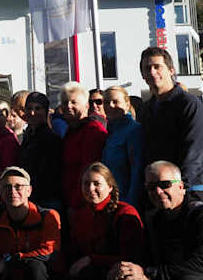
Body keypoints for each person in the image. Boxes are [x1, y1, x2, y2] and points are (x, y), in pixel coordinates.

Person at [63, 163, 144, 280]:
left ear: (110, 186)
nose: (90, 189)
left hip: (117, 275)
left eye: (96, 184)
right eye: (85, 184)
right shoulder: (80, 215)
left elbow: (131, 256)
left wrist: (92, 259)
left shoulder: (124, 213)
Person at [140, 46, 203, 203]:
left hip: (189, 190)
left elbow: (195, 151)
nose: (152, 72)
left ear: (171, 70)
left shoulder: (189, 104)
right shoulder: (147, 110)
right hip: (159, 192)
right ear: (142, 74)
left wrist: (180, 186)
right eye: (147, 68)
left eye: (157, 66)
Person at [59, 82, 108, 212]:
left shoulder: (92, 130)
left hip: (84, 202)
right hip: (69, 198)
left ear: (86, 105)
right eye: (65, 103)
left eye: (74, 102)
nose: (68, 106)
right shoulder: (71, 131)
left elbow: (89, 169)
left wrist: (76, 204)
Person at [18, 92, 63, 210]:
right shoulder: (27, 136)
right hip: (30, 197)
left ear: (46, 111)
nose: (32, 113)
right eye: (29, 108)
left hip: (46, 200)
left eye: (38, 108)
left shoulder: (51, 138)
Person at [101, 85, 145, 206]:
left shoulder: (134, 130)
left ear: (127, 104)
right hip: (110, 201)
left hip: (126, 202)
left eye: (115, 101)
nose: (110, 106)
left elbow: (137, 171)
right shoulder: (111, 133)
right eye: (106, 102)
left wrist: (130, 204)